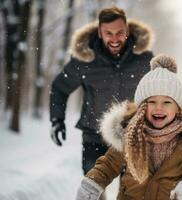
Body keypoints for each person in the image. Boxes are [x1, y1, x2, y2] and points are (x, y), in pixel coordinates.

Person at [75, 54, 182, 200]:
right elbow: (108, 165)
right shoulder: (131, 136)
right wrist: (93, 183)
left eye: (167, 102)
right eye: (152, 102)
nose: (159, 108)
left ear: (178, 108)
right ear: (142, 107)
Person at [49, 6, 153, 181]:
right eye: (108, 33)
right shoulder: (85, 59)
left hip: (133, 136)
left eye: (119, 33)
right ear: (99, 32)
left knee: (133, 189)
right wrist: (57, 119)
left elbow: (160, 91)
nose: (114, 39)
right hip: (94, 136)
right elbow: (60, 88)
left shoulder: (144, 59)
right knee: (93, 187)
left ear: (127, 31)